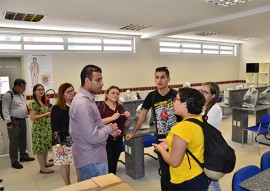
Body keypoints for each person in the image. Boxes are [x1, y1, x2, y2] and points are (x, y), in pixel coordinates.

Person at [125, 66, 179, 191]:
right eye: (157, 77)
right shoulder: (152, 96)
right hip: (161, 139)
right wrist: (133, 132)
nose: (159, 80)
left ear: (168, 79)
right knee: (165, 171)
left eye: (162, 77)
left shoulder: (175, 95)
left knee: (177, 168)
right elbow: (143, 115)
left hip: (177, 137)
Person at [69, 65, 121, 181]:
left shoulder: (88, 99)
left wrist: (109, 132)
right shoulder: (83, 104)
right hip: (92, 160)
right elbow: (93, 137)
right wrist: (109, 128)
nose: (102, 83)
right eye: (98, 80)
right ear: (87, 80)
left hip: (93, 156)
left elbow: (94, 125)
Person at [153, 87, 211, 191]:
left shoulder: (181, 127)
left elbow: (174, 162)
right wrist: (170, 143)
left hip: (185, 181)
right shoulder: (199, 120)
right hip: (199, 175)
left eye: (176, 99)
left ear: (185, 103)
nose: (173, 103)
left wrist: (160, 149)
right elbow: (190, 142)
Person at [97, 85, 131, 174]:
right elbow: (96, 122)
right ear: (107, 95)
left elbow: (125, 125)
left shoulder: (120, 107)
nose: (115, 95)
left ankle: (112, 180)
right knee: (108, 163)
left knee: (114, 163)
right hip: (105, 139)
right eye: (113, 93)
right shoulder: (101, 106)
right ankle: (107, 182)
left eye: (117, 94)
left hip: (118, 140)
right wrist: (111, 118)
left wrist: (128, 118)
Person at [2, 78, 35, 169]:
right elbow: (5, 110)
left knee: (23, 139)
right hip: (14, 121)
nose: (24, 89)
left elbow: (23, 106)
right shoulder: (8, 95)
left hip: (22, 120)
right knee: (14, 142)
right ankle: (14, 161)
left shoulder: (21, 94)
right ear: (16, 86)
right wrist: (8, 123)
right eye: (22, 87)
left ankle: (23, 156)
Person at [51, 83, 80, 185]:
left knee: (79, 164)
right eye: (68, 91)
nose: (72, 93)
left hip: (77, 140)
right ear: (62, 95)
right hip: (63, 141)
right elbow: (55, 129)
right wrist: (58, 145)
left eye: (72, 90)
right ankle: (68, 186)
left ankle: (80, 185)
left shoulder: (77, 106)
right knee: (65, 164)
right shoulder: (57, 108)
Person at [200, 82, 223, 191]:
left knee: (211, 179)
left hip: (210, 147)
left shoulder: (215, 109)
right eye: (201, 91)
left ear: (213, 95)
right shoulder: (201, 106)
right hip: (201, 146)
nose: (202, 93)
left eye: (205, 92)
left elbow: (203, 128)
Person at [28, 84, 54, 174]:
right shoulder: (33, 103)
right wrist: (46, 114)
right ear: (35, 92)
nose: (41, 91)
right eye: (38, 89)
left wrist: (49, 112)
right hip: (39, 130)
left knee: (45, 147)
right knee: (40, 149)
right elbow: (32, 117)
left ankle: (45, 163)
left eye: (42, 89)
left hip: (46, 128)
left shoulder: (43, 101)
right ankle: (42, 168)